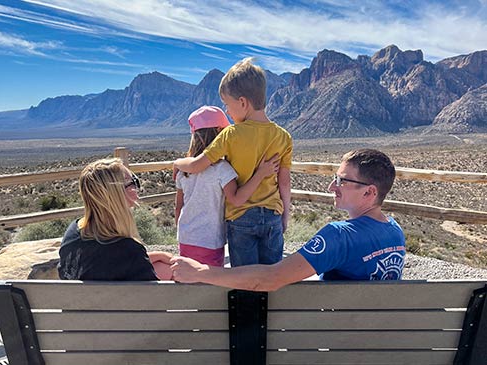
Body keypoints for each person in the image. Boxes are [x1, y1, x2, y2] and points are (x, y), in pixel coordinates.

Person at [170, 149, 406, 291]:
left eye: (343, 181)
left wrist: (201, 272)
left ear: (369, 192)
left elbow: (270, 279)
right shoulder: (395, 232)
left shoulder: (339, 236)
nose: (332, 186)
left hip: (333, 343)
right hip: (373, 339)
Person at [173, 58, 293, 267]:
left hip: (241, 217)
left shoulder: (230, 135)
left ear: (243, 102)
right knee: (273, 274)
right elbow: (284, 182)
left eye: (227, 104)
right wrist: (285, 214)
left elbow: (197, 165)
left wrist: (177, 163)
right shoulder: (284, 136)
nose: (227, 111)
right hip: (273, 215)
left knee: (243, 278)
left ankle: (247, 301)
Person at [175, 105, 279, 267]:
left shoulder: (184, 171)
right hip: (211, 240)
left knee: (189, 280)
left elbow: (178, 207)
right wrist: (260, 174)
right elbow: (237, 199)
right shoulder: (222, 169)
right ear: (220, 133)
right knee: (211, 282)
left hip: (186, 237)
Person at [58, 158, 172, 280]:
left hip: (81, 297)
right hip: (123, 298)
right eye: (132, 183)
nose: (137, 189)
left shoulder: (73, 233)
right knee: (169, 271)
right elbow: (153, 295)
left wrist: (160, 255)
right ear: (115, 194)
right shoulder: (129, 249)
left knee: (162, 266)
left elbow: (104, 263)